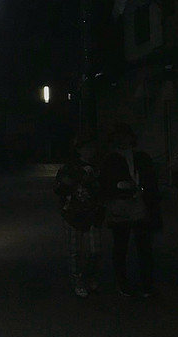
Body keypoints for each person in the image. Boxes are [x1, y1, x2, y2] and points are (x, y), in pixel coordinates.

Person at [100, 123, 160, 297]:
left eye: (125, 136)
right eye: (119, 137)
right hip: (121, 207)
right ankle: (123, 282)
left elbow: (151, 182)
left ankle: (145, 283)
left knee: (143, 247)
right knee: (121, 246)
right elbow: (104, 185)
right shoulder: (110, 160)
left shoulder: (141, 157)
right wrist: (120, 188)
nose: (122, 140)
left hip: (140, 206)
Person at [54, 137, 104, 297]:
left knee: (95, 250)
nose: (90, 151)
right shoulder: (70, 168)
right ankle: (78, 282)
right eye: (86, 148)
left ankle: (89, 277)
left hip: (93, 213)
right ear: (79, 150)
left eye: (92, 148)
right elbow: (60, 188)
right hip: (73, 213)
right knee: (74, 251)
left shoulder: (98, 167)